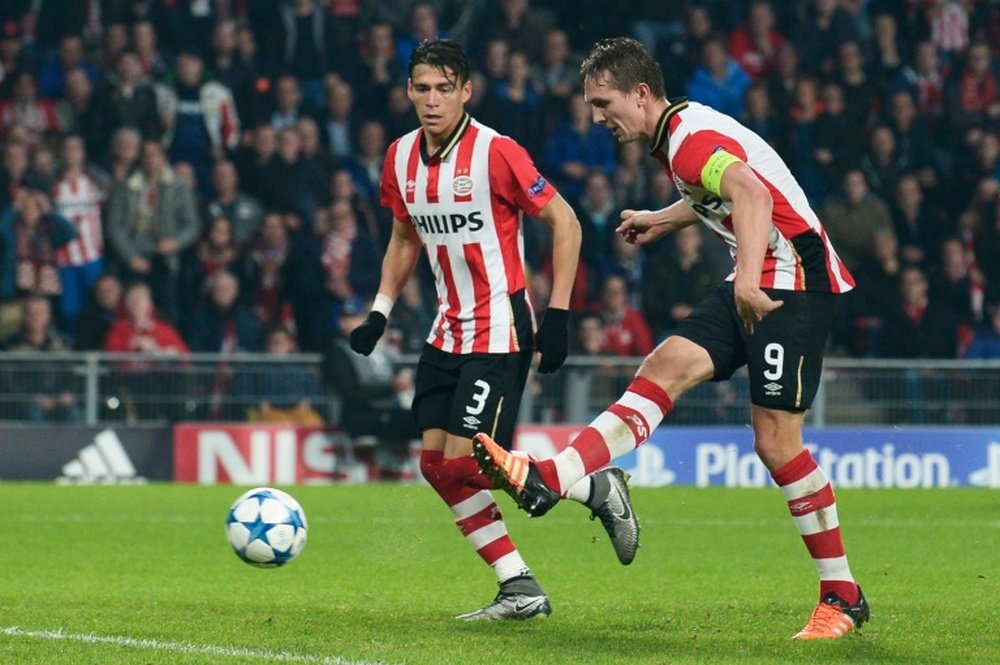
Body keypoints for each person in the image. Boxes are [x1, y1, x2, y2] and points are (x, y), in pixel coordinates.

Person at [474, 37, 868, 640]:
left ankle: (842, 597)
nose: (596, 116)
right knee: (664, 366)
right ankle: (554, 478)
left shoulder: (687, 142)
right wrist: (663, 219)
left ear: (640, 93)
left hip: (792, 281)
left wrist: (748, 284)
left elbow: (753, 194)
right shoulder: (676, 137)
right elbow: (719, 189)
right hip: (756, 273)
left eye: (603, 103)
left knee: (776, 441)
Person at [348, 38, 639, 622]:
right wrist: (380, 308)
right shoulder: (400, 158)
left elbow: (567, 221)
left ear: (465, 92)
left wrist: (557, 314)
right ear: (409, 91)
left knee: (469, 462)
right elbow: (404, 237)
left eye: (444, 89)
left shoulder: (496, 153)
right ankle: (519, 587)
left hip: (500, 332)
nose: (432, 101)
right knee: (436, 467)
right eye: (423, 88)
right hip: (445, 330)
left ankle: (592, 487)